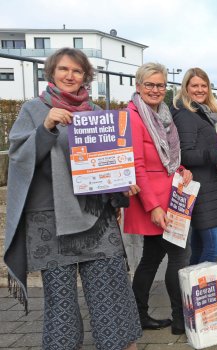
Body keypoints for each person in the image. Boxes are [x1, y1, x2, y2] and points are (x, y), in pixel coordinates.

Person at [4, 47, 143, 349]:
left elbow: (108, 164)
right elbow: (17, 159)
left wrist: (122, 185)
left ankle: (119, 344)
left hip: (96, 215)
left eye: (77, 71)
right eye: (63, 69)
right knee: (60, 299)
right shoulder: (34, 110)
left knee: (110, 289)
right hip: (48, 218)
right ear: (51, 72)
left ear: (85, 76)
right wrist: (46, 128)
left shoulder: (96, 114)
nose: (70, 75)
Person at [124, 62, 194, 335]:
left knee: (151, 257)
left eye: (160, 85)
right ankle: (180, 320)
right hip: (152, 200)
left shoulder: (162, 114)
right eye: (150, 85)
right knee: (179, 255)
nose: (155, 90)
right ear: (138, 86)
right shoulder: (132, 116)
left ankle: (138, 315)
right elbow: (136, 166)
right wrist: (152, 206)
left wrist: (182, 170)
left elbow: (168, 157)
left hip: (169, 195)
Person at [172, 68, 217, 264]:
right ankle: (201, 290)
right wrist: (215, 155)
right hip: (200, 189)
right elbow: (185, 154)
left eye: (204, 85)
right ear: (186, 88)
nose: (200, 89)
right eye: (195, 85)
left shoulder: (200, 112)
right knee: (212, 248)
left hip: (207, 187)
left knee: (199, 246)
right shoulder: (186, 114)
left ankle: (191, 291)